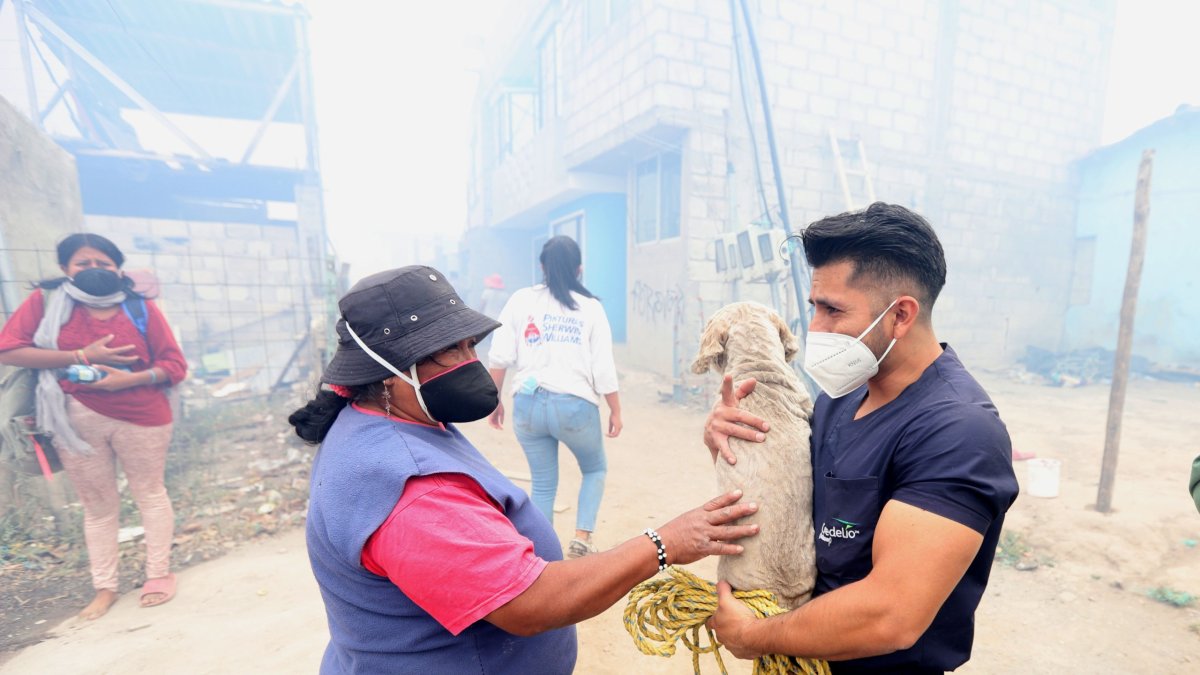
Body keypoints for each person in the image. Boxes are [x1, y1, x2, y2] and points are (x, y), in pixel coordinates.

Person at [289, 265, 758, 674]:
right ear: (388, 370)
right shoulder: (411, 489)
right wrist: (666, 542)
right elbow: (529, 604)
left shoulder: (390, 422)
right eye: (450, 350)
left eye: (470, 345)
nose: (469, 362)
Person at [703, 203, 1019, 674]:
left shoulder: (959, 432)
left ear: (901, 315)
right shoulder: (843, 393)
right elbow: (792, 483)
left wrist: (753, 636)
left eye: (833, 310)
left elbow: (890, 614)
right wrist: (730, 435)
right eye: (814, 307)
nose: (815, 329)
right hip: (802, 657)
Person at [0, 233, 188, 620]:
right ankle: (105, 587)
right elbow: (9, 349)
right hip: (73, 419)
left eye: (103, 263)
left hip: (145, 417)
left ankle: (158, 574)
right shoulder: (46, 302)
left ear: (118, 268)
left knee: (150, 493)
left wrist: (128, 379)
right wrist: (80, 355)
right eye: (82, 264)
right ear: (65, 269)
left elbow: (174, 366)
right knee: (98, 507)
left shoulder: (139, 307)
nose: (94, 270)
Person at [486, 236, 620, 558]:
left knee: (544, 482)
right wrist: (615, 410)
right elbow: (603, 368)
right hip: (575, 406)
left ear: (542, 267)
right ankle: (582, 540)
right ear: (579, 269)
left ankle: (543, 555)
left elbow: (500, 355)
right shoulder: (591, 307)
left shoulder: (520, 300)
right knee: (594, 469)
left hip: (528, 404)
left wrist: (495, 400)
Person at [475, 273, 509, 366]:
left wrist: (478, 315)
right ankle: (497, 354)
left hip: (488, 319)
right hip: (499, 319)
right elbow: (506, 308)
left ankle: (493, 354)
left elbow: (482, 305)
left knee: (491, 339)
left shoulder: (486, 292)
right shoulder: (505, 295)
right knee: (498, 338)